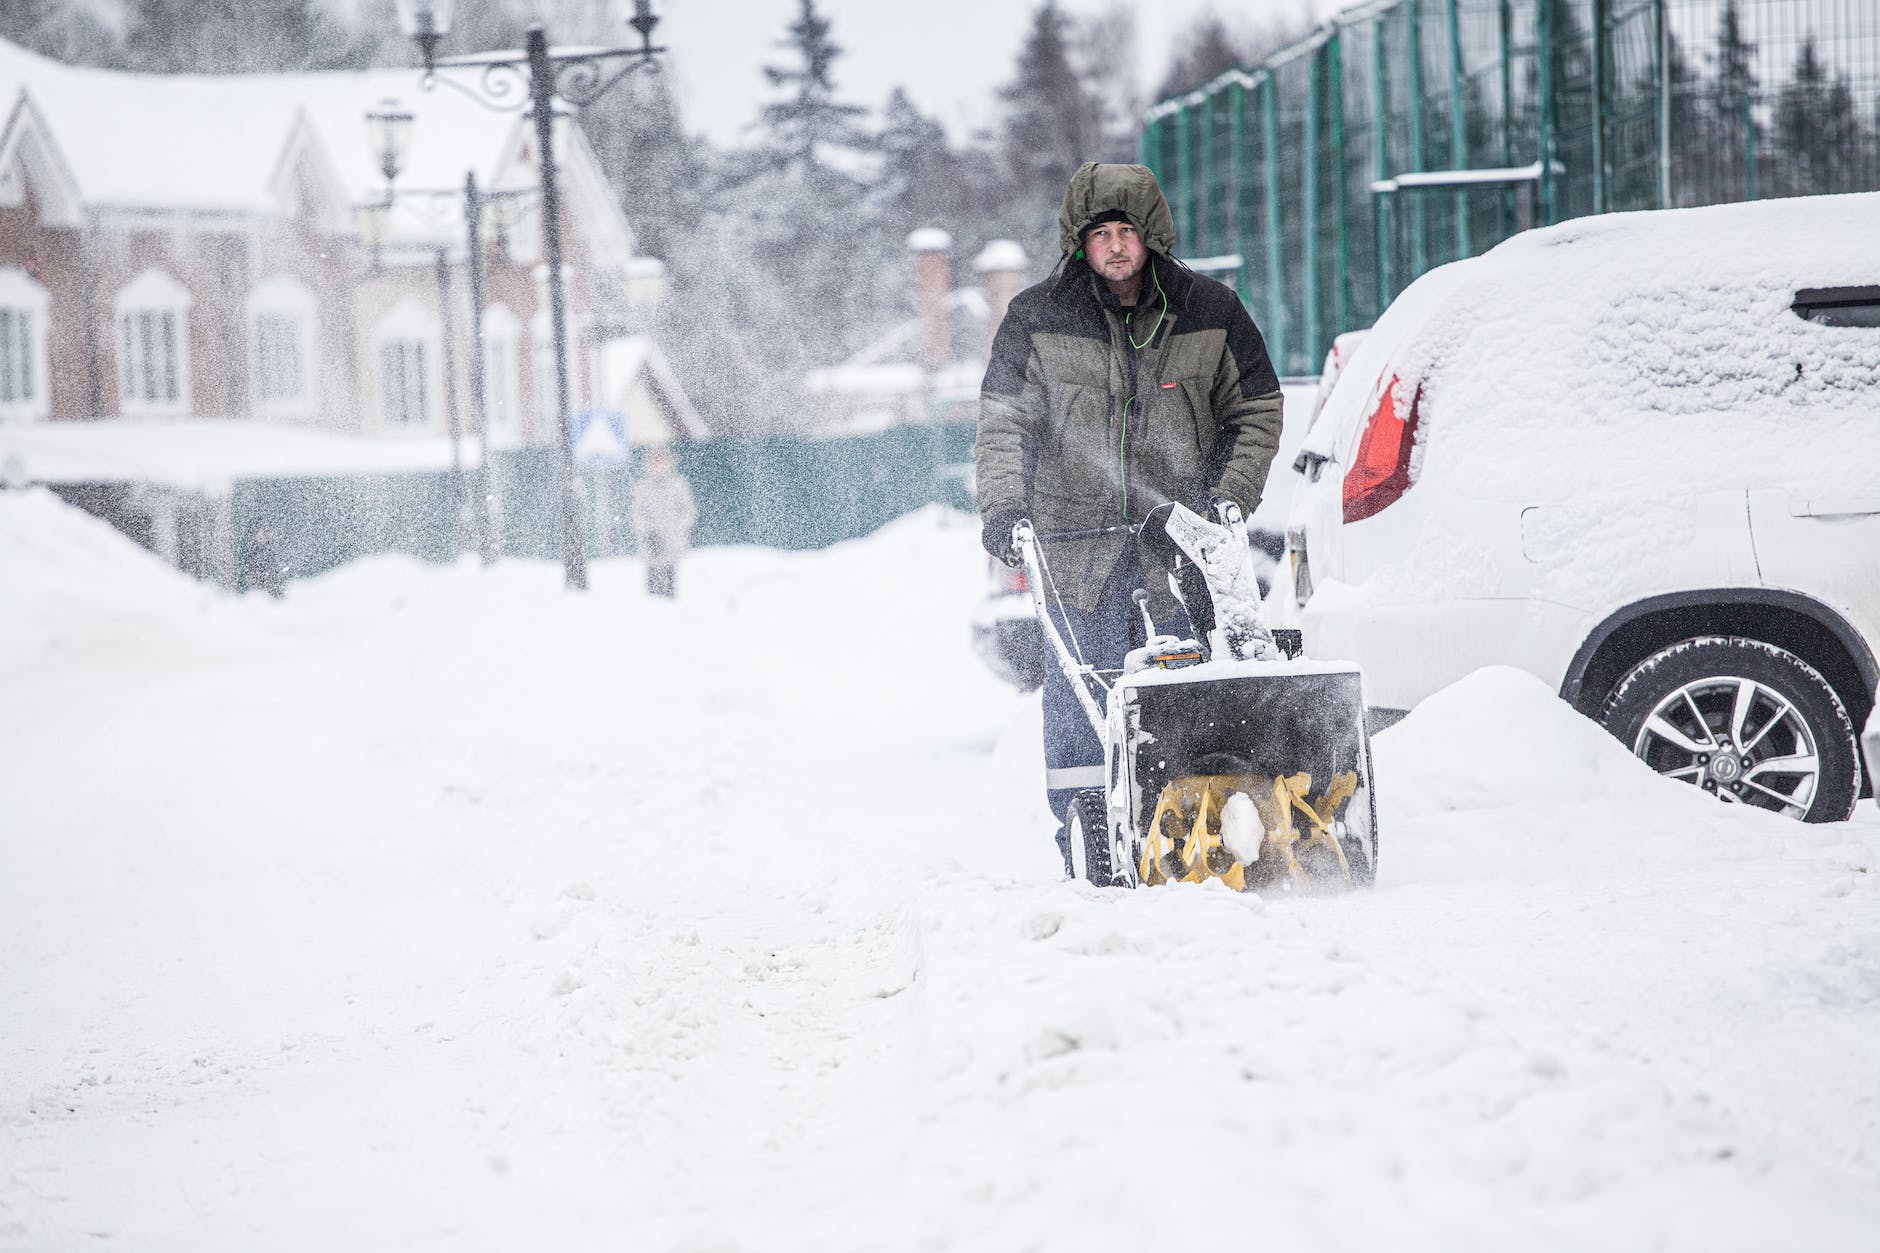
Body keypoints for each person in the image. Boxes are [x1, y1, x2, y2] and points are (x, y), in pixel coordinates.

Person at [974, 161, 1285, 876]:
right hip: (1072, 550)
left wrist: (1229, 495)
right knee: (1082, 703)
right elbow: (1003, 423)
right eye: (1100, 234)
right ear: (1077, 243)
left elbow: (1257, 408)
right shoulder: (1036, 317)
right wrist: (1005, 508)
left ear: (1152, 237)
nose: (1115, 247)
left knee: (1188, 695)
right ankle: (1090, 854)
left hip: (1177, 545)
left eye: (1127, 232)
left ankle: (1194, 836)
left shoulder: (1210, 310)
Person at [630, 445, 697, 598]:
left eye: (662, 461)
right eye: (655, 462)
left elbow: (688, 511)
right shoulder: (643, 487)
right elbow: (638, 513)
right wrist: (649, 532)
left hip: (672, 542)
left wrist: (676, 529)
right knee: (652, 581)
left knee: (669, 579)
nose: (659, 466)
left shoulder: (678, 485)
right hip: (652, 543)